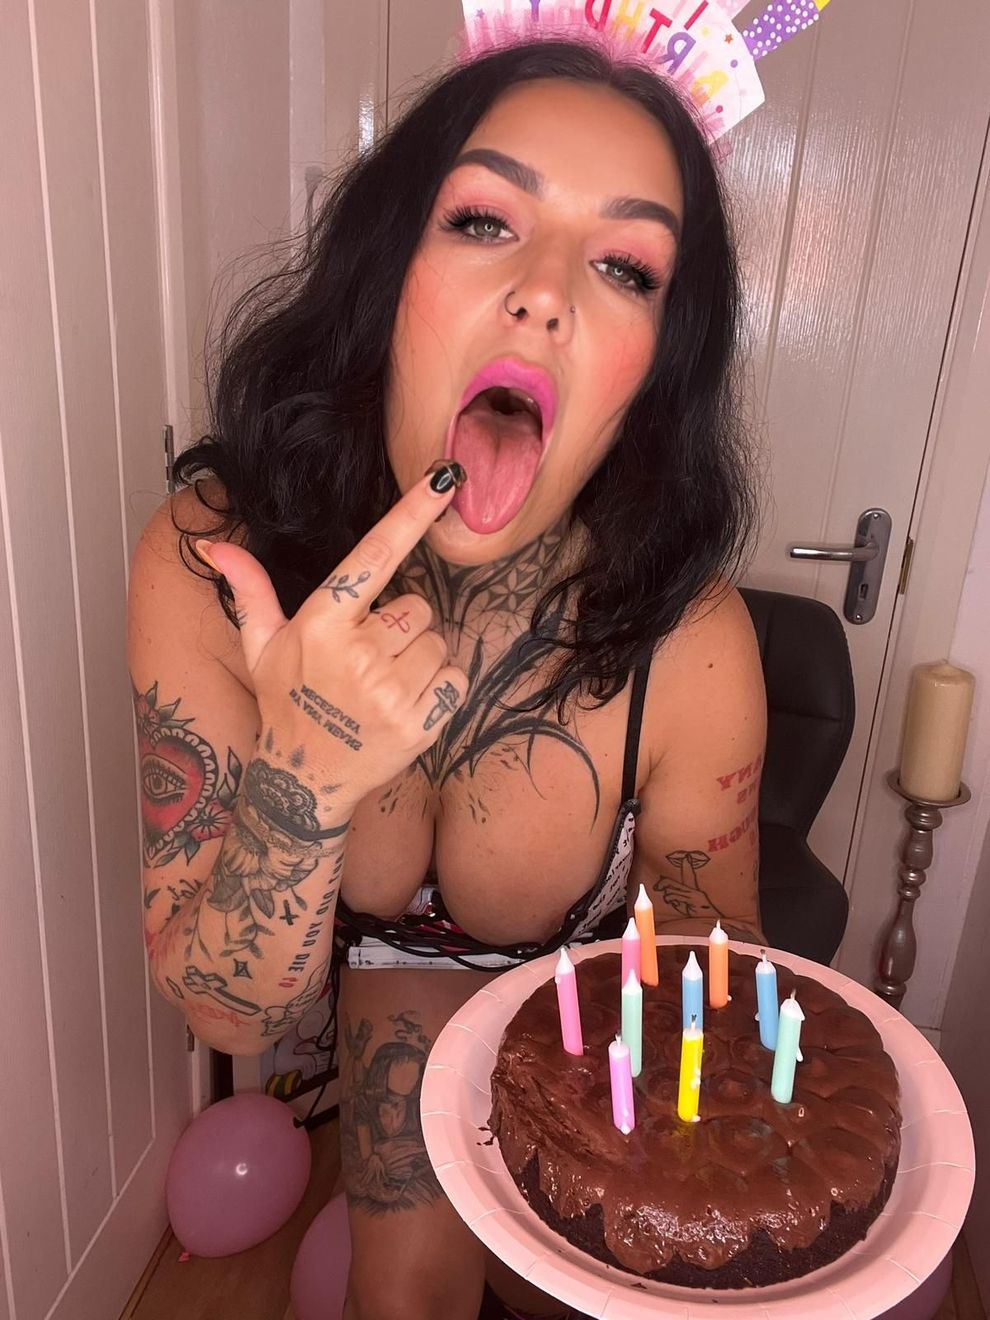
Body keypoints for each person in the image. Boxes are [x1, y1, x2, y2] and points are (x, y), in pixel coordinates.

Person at [128, 36, 766, 1320]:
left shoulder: (689, 641)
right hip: (390, 994)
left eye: (625, 266)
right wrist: (303, 782)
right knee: (404, 1298)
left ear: (656, 370)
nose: (544, 295)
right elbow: (223, 1012)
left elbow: (717, 990)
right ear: (384, 275)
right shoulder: (223, 561)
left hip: (580, 1017)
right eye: (484, 221)